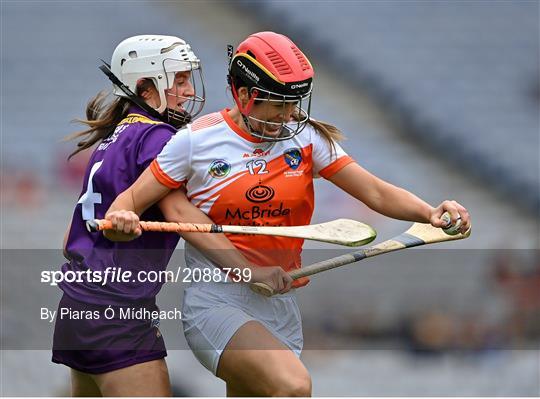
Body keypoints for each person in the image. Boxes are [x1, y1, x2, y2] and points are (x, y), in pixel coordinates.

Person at [105, 31, 471, 396]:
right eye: (279, 105)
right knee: (294, 386)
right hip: (218, 302)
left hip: (280, 307)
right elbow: (125, 204)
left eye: (295, 103)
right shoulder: (194, 141)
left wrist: (429, 211)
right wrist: (122, 219)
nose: (289, 116)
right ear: (246, 96)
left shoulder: (306, 139)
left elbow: (374, 191)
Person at [53, 34, 209, 396]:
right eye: (179, 79)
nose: (188, 91)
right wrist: (249, 265)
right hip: (117, 314)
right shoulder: (158, 139)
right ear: (145, 86)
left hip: (75, 309)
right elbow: (181, 214)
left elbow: (69, 242)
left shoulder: (111, 139)